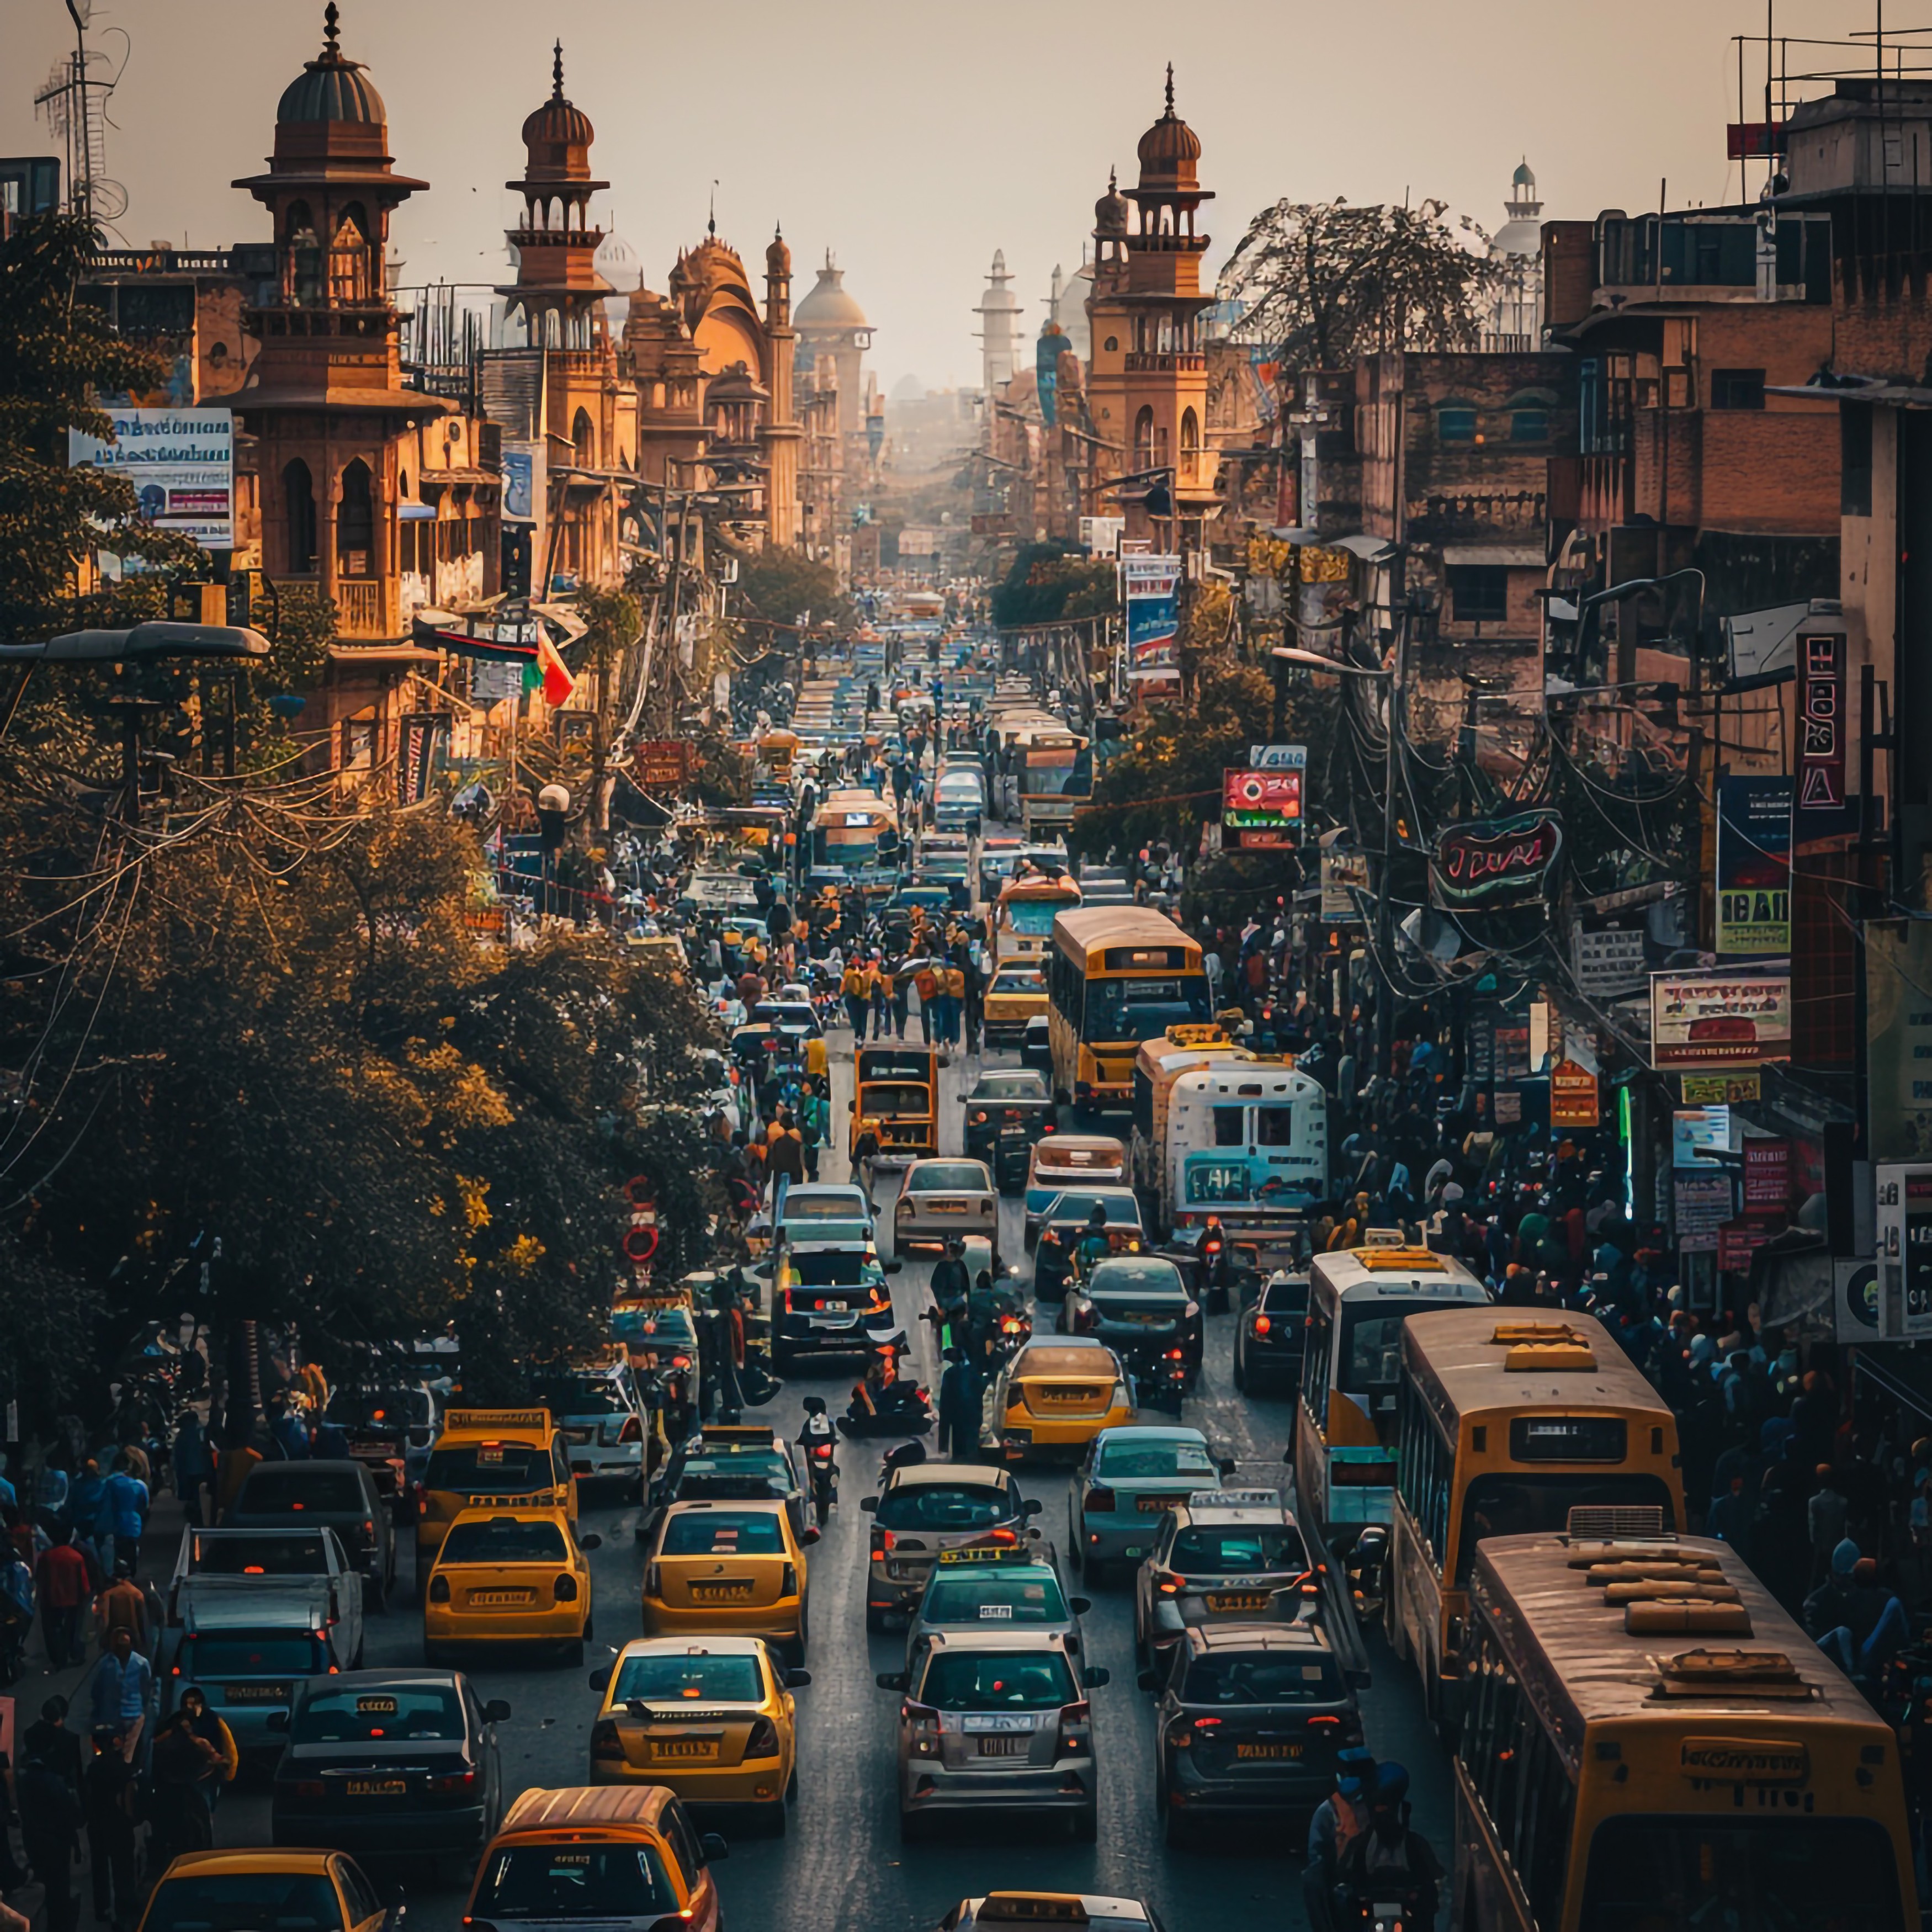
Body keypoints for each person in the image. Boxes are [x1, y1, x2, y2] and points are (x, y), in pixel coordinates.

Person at [1334, 1763, 1443, 1929]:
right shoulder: (1361, 1846)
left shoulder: (1414, 1845)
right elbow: (1343, 1879)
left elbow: (1434, 1882)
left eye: (1387, 1812)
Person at [1303, 1747, 1376, 1932]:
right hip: (1346, 1877)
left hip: (1379, 1876)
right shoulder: (1328, 1812)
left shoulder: (1381, 1803)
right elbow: (1317, 1855)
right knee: (1313, 1881)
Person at [17, 1740, 83, 1932]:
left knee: (44, 1888)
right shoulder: (54, 1782)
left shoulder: (24, 1781)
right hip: (56, 1844)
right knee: (59, 1891)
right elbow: (68, 1816)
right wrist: (75, 1845)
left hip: (35, 1842)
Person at [82, 1727, 139, 1932]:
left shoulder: (93, 1770)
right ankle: (126, 1909)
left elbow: (87, 1798)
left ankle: (103, 1907)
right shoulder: (124, 1770)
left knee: (100, 1869)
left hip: (98, 1825)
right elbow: (130, 1799)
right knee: (124, 1869)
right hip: (121, 1825)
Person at [147, 1708, 220, 1865]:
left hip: (168, 1798)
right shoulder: (199, 1745)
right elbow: (218, 1760)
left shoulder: (161, 1747)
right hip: (192, 1795)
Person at [88, 1627, 152, 1765]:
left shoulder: (141, 1664)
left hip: (131, 1717)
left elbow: (146, 1690)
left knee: (131, 1755)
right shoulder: (105, 1664)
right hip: (112, 1718)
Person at [176, 1687, 237, 1813]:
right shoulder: (177, 1721)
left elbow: (228, 1746)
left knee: (206, 1806)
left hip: (208, 1773)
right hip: (186, 1773)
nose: (191, 1708)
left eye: (194, 1704)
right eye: (188, 1704)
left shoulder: (212, 1720)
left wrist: (228, 1770)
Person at [35, 1530, 89, 1669]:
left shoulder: (46, 1557)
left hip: (52, 1600)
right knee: (73, 1629)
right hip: (73, 1599)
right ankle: (75, 1654)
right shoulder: (76, 1557)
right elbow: (83, 1583)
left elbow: (40, 1579)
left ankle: (58, 1659)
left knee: (54, 1630)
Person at [937, 1347, 982, 1461]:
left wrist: (945, 1418)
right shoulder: (974, 1372)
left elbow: (945, 1398)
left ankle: (960, 1459)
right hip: (972, 1413)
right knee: (970, 1443)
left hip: (957, 1414)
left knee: (959, 1443)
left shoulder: (950, 1373)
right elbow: (979, 1392)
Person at [93, 1563, 146, 1658]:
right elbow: (141, 1619)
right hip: (132, 1632)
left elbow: (102, 1618)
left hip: (112, 1632)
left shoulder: (107, 1594)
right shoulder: (137, 1594)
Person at [171, 1415, 215, 1529]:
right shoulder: (202, 1433)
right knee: (199, 1497)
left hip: (190, 1471)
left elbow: (179, 1457)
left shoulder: (182, 1436)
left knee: (194, 1496)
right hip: (201, 1470)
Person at [853, 1117, 883, 1201]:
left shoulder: (872, 1140)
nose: (868, 1136)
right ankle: (868, 1196)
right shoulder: (862, 1141)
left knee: (871, 1181)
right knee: (866, 1181)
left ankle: (870, 1194)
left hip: (871, 1162)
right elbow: (857, 1155)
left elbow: (877, 1151)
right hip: (864, 1162)